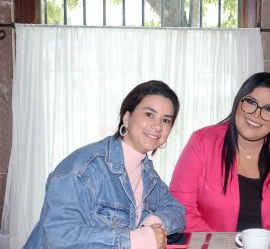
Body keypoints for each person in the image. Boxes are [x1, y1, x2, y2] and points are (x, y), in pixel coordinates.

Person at [24, 80, 185, 249]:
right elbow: (60, 237)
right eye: (149, 114)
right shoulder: (83, 170)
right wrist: (135, 240)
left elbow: (176, 210)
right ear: (127, 117)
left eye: (166, 120)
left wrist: (150, 226)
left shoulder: (146, 171)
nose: (158, 126)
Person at [169, 72, 270, 232]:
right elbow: (181, 208)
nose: (256, 114)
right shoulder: (201, 142)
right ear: (238, 101)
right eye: (251, 102)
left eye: (269, 109)